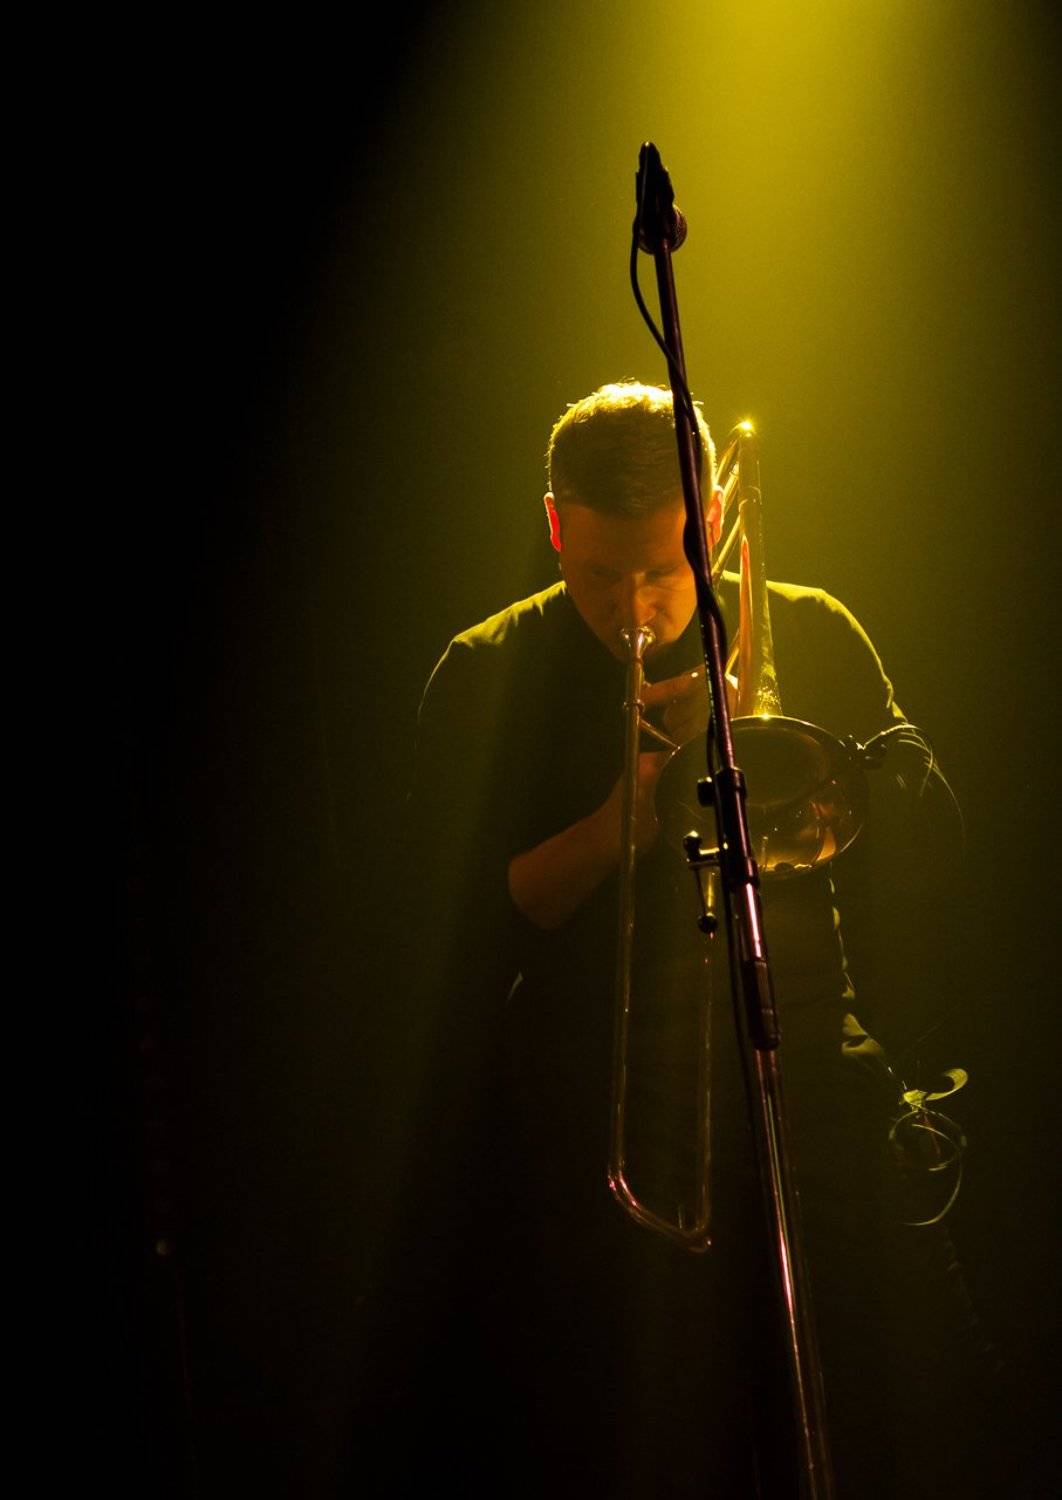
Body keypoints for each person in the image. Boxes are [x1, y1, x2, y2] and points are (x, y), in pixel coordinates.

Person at [361, 382, 995, 1498]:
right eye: (600, 573)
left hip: (813, 1093)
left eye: (663, 567)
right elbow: (441, 939)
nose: (636, 607)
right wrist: (625, 822)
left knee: (918, 1429)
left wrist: (783, 740)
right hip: (604, 1129)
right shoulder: (490, 667)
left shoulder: (806, 624)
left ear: (715, 517)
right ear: (555, 525)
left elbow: (931, 849)